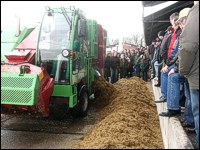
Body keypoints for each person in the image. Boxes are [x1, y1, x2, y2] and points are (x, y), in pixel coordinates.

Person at [178, 1, 199, 147]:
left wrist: (182, 70)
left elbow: (189, 46)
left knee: (198, 111)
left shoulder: (196, 12)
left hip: (197, 74)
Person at [156, 12, 181, 103]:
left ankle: (171, 103)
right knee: (164, 72)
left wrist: (172, 66)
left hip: (176, 61)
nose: (172, 25)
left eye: (173, 22)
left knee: (169, 75)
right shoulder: (174, 33)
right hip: (171, 59)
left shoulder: (179, 33)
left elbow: (177, 51)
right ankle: (165, 96)